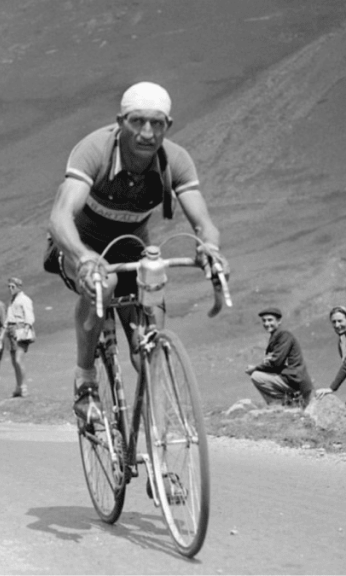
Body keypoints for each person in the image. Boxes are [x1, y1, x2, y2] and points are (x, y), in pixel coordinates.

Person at [45, 81, 229, 424]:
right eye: (137, 121)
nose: (147, 133)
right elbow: (60, 216)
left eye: (157, 123)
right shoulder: (94, 150)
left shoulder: (175, 159)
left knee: (148, 347)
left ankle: (159, 449)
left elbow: (205, 223)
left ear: (168, 126)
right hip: (78, 245)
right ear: (120, 121)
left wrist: (211, 249)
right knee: (104, 283)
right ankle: (85, 380)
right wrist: (83, 258)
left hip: (131, 247)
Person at [245, 307, 313, 407]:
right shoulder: (276, 336)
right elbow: (275, 362)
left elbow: (275, 362)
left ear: (279, 321)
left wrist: (255, 368)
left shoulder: (284, 335)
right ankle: (287, 402)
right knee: (262, 373)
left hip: (294, 379)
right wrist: (267, 363)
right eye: (264, 321)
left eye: (270, 320)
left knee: (256, 376)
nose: (267, 324)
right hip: (290, 377)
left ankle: (279, 404)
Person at [4, 277, 35, 398]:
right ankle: (18, 386)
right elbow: (8, 316)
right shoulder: (12, 301)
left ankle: (24, 387)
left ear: (18, 287)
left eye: (13, 287)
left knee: (18, 359)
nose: (10, 289)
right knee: (13, 360)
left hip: (20, 329)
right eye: (9, 287)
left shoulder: (24, 300)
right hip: (11, 329)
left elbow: (29, 316)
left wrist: (26, 330)